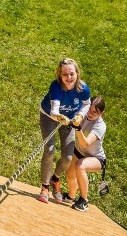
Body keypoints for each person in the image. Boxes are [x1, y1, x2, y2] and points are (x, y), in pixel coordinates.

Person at [38, 58, 91, 204]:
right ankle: (45, 186)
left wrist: (80, 115)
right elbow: (54, 109)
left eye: (72, 74)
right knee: (49, 150)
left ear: (77, 73)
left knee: (68, 157)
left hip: (69, 121)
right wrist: (59, 116)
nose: (69, 78)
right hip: (49, 117)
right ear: (59, 75)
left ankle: (55, 179)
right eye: (65, 74)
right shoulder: (56, 87)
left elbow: (87, 104)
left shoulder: (83, 88)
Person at [66, 96, 107, 212]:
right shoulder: (83, 114)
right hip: (79, 151)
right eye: (89, 109)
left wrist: (78, 128)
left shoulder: (100, 126)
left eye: (95, 112)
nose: (90, 113)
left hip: (96, 158)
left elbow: (86, 143)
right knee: (69, 174)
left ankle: (84, 201)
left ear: (101, 114)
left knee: (80, 165)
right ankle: (71, 196)